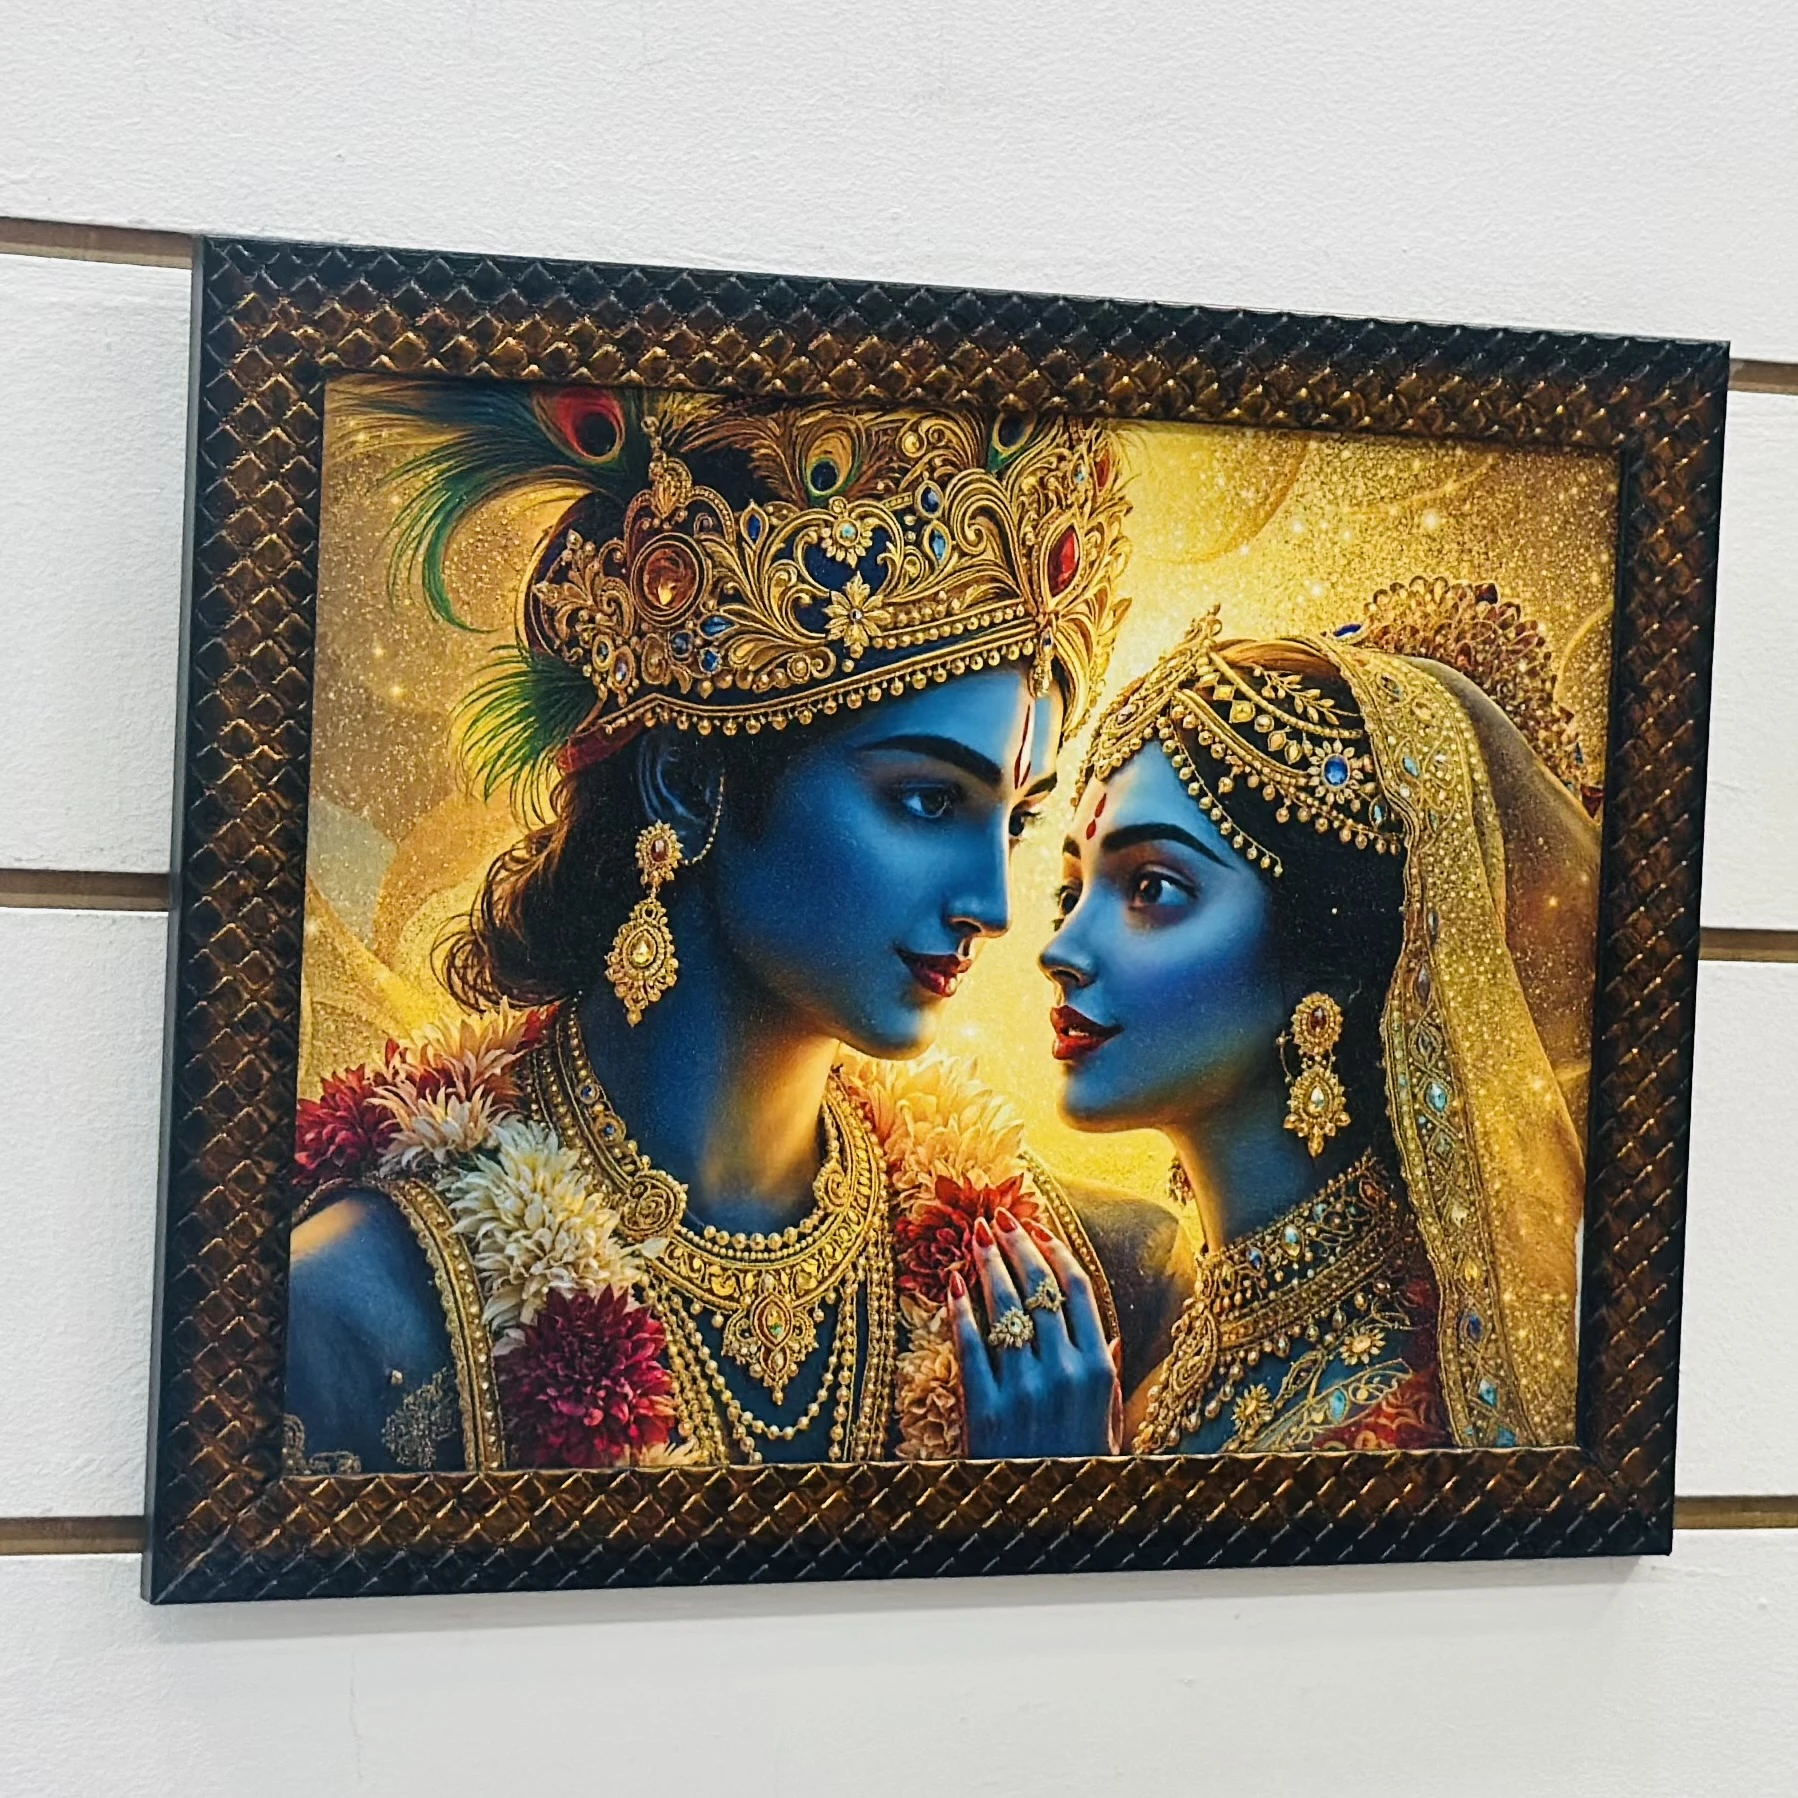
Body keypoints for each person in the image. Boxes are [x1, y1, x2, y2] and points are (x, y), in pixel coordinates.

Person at [283, 383, 1185, 1473]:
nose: (989, 906)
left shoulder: (1082, 1291)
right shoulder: (360, 1314)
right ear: (686, 781)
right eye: (926, 800)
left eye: (1019, 820)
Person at [1041, 579, 1599, 1454]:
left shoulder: (1396, 1414)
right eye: (1069, 892)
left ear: (1328, 962)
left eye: (1150, 887)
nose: (1061, 950)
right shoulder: (1182, 1354)